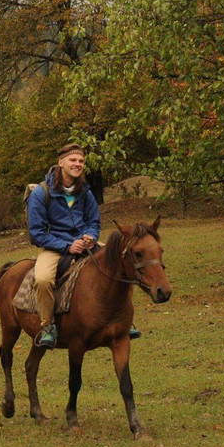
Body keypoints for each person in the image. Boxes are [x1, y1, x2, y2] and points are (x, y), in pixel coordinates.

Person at [27, 143, 140, 348]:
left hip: (84, 241)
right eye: (73, 160)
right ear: (60, 162)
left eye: (80, 161)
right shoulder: (40, 194)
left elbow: (93, 221)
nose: (77, 164)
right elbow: (36, 233)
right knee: (43, 279)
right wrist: (67, 246)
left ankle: (125, 320)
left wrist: (90, 235)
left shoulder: (84, 191)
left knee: (123, 261)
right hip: (55, 246)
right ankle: (48, 326)